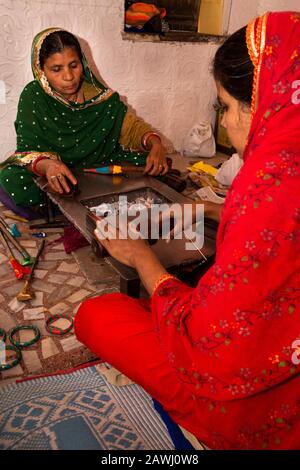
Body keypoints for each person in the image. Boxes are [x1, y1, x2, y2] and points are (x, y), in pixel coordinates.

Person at [74, 11, 300, 449]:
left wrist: (143, 258)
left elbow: (211, 347)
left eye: (227, 108)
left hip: (258, 409)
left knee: (97, 315)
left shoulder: (269, 187)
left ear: (265, 100)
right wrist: (210, 211)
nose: (228, 124)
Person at [0, 28, 168, 208]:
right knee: (11, 178)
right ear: (41, 71)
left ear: (82, 63)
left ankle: (72, 204)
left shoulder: (100, 98)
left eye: (74, 65)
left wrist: (155, 144)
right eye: (56, 69)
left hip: (96, 166)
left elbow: (132, 129)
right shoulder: (33, 96)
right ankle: (88, 203)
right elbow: (26, 152)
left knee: (155, 167)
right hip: (51, 170)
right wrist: (48, 165)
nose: (69, 77)